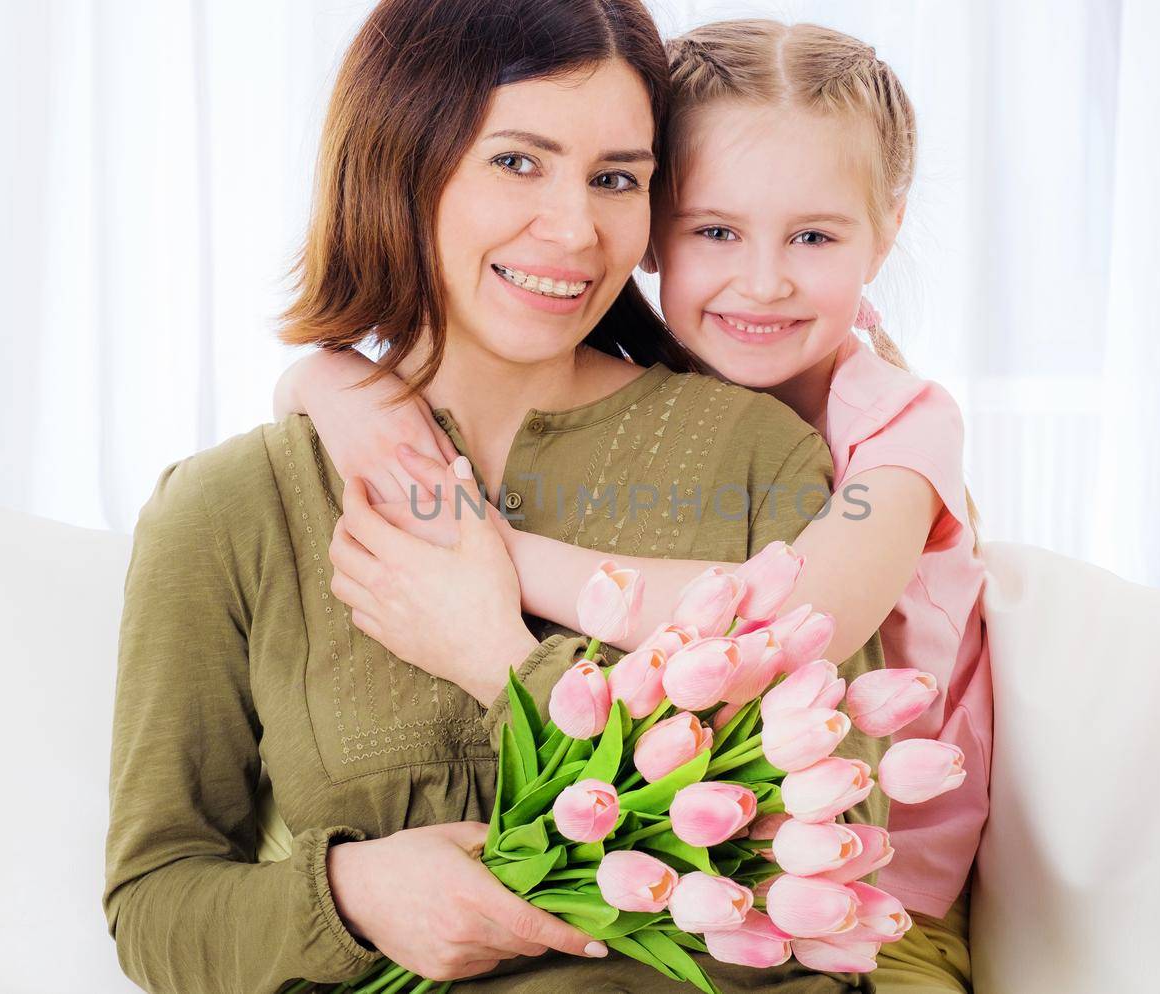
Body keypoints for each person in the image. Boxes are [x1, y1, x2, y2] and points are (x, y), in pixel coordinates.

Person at [101, 3, 888, 993]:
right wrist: (351, 894)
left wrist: (504, 664)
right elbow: (154, 902)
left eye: (615, 179)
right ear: (401, 160)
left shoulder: (757, 455)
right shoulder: (232, 508)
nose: (573, 229)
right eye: (517, 160)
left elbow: (834, 855)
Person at [275, 19, 990, 994]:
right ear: (652, 228)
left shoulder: (905, 427)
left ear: (887, 228)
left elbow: (798, 623)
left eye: (814, 235)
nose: (764, 279)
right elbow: (311, 394)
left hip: (869, 905)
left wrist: (489, 556)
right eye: (714, 230)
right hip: (671, 870)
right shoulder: (653, 380)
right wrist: (329, 381)